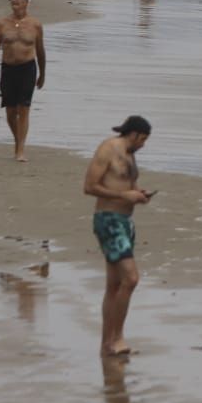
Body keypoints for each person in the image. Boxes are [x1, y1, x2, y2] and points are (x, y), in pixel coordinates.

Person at [83, 115, 154, 358]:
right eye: (142, 139)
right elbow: (89, 186)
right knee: (131, 279)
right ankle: (117, 337)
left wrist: (138, 194)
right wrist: (124, 197)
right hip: (109, 221)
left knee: (114, 285)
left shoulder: (131, 155)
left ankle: (108, 343)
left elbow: (126, 186)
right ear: (133, 134)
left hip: (125, 223)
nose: (143, 144)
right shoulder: (108, 148)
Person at [0, 0, 47, 163]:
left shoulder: (35, 25)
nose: (14, 0)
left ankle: (20, 150)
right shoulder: (2, 24)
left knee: (24, 108)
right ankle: (18, 140)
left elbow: (41, 52)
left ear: (27, 2)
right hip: (8, 69)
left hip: (28, 69)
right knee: (11, 111)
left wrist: (42, 74)